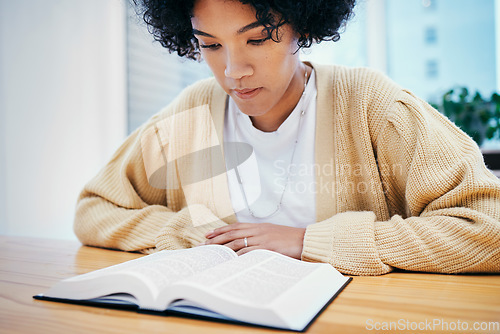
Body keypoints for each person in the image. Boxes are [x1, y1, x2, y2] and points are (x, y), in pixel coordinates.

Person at [74, 0, 500, 275]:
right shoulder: (193, 113)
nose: (232, 70)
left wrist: (307, 242)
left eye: (257, 39)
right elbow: (96, 208)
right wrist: (192, 232)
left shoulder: (371, 106)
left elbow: (488, 229)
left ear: (304, 25)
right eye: (211, 45)